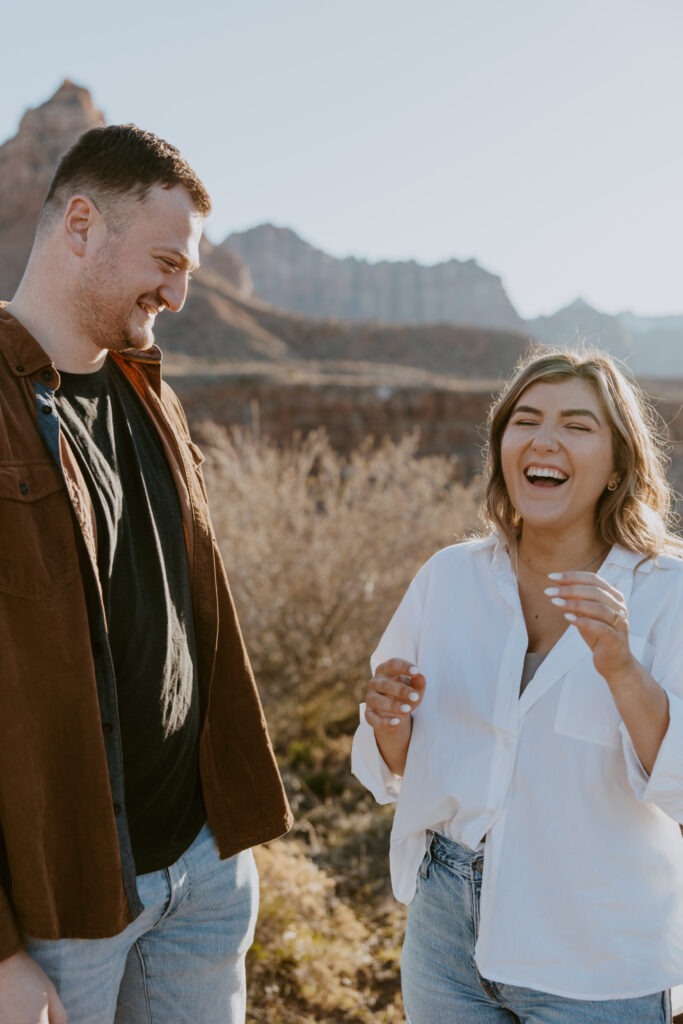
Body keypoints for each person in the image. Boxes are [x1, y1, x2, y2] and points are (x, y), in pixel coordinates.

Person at [0, 125, 292, 1024]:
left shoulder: (151, 394)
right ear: (80, 223)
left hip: (204, 868)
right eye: (166, 262)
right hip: (64, 902)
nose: (176, 293)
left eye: (189, 273)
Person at [352, 349, 683, 1023]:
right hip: (445, 928)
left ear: (618, 462)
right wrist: (387, 724)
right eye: (524, 419)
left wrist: (621, 667)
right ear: (502, 445)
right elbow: (396, 762)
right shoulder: (449, 578)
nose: (543, 439)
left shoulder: (666, 593)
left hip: (595, 944)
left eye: (576, 425)